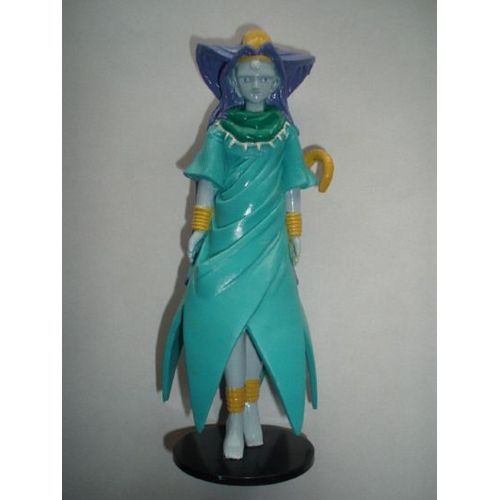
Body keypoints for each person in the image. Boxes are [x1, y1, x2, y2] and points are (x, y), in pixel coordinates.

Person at [162, 30, 331, 460]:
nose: (256, 85)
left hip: (270, 242)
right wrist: (198, 229)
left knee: (263, 328)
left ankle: (250, 405)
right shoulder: (221, 131)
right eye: (248, 77)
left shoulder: (285, 132)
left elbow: (292, 187)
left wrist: (295, 232)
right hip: (226, 242)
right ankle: (234, 416)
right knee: (230, 329)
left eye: (264, 78)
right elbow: (207, 183)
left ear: (276, 84)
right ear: (234, 82)